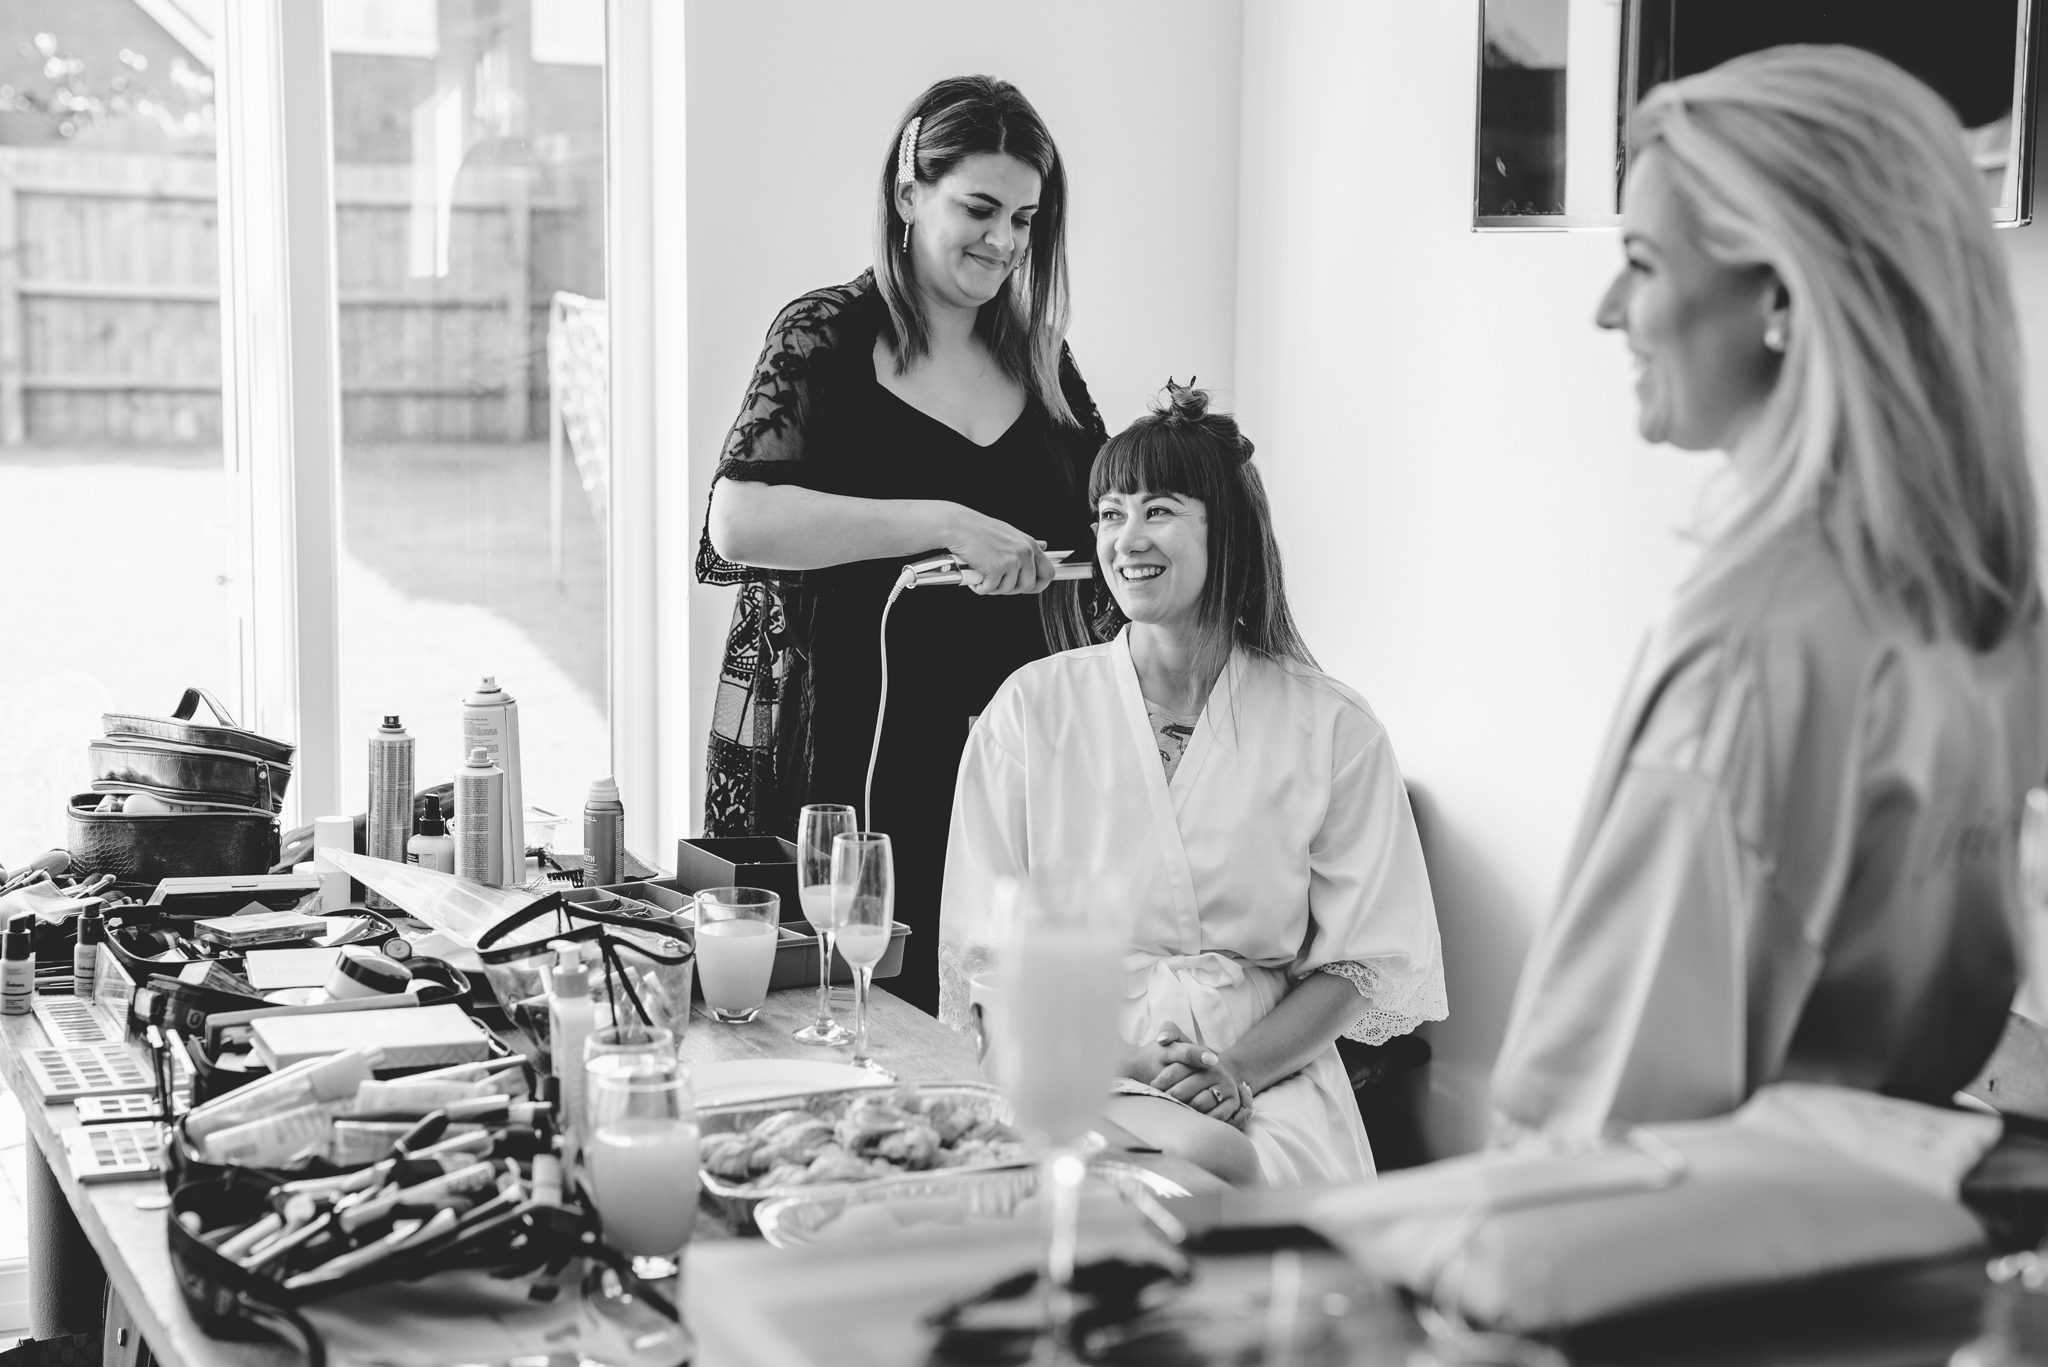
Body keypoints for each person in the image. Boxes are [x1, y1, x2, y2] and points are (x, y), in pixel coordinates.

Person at [1491, 46, 2048, 1141]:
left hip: (1669, 1283)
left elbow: (1600, 1132)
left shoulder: (1750, 650)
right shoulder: (1986, 614)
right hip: (1888, 1264)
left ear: (1780, 296)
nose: (1610, 308)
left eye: (1643, 261)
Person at [940, 385, 1448, 1185]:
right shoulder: (1031, 711)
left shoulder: (1334, 728)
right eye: (1109, 513)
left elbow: (1362, 962)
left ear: (1228, 530)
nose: (1125, 538)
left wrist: (1234, 1071)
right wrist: (1135, 1060)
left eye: (1159, 510)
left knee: (1236, 1189)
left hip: (1266, 1066)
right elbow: (990, 955)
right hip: (1077, 1048)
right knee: (1123, 1182)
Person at [697, 76, 1108, 1015]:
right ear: (907, 190)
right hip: (853, 748)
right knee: (856, 1015)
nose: (1003, 241)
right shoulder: (826, 336)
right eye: (979, 207)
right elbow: (739, 520)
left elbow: (1102, 523)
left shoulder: (1042, 361)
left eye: (1025, 217)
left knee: (990, 1016)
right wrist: (940, 521)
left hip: (1002, 763)